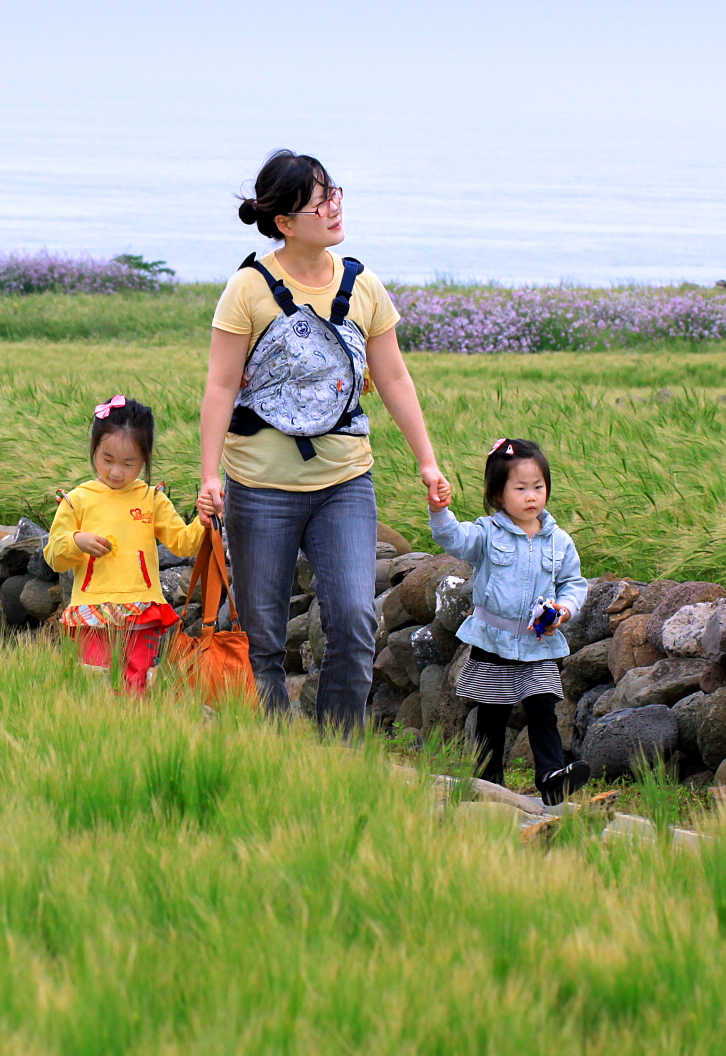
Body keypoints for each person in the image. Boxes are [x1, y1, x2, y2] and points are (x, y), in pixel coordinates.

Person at [196, 149, 449, 734]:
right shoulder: (247, 289)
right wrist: (210, 475)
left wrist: (428, 461)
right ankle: (273, 751)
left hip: (344, 481)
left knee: (356, 622)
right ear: (285, 222)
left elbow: (393, 378)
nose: (335, 207)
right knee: (261, 635)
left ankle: (339, 751)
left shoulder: (364, 285)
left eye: (335, 193)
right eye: (320, 201)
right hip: (259, 486)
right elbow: (220, 385)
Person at [428, 437, 591, 805]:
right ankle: (489, 784)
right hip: (493, 640)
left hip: (538, 642)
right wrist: (439, 511)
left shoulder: (559, 541)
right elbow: (454, 539)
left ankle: (551, 778)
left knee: (543, 709)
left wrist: (564, 610)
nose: (531, 496)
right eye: (520, 488)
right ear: (498, 495)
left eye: (539, 487)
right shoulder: (487, 533)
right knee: (492, 717)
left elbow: (574, 584)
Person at [45, 394, 204, 693]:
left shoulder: (151, 498)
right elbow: (54, 556)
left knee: (138, 684)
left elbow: (184, 544)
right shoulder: (77, 500)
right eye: (107, 460)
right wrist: (77, 541)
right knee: (95, 684)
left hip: (142, 609)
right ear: (93, 447)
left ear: (145, 458)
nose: (116, 472)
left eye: (129, 463)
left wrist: (204, 520)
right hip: (91, 610)